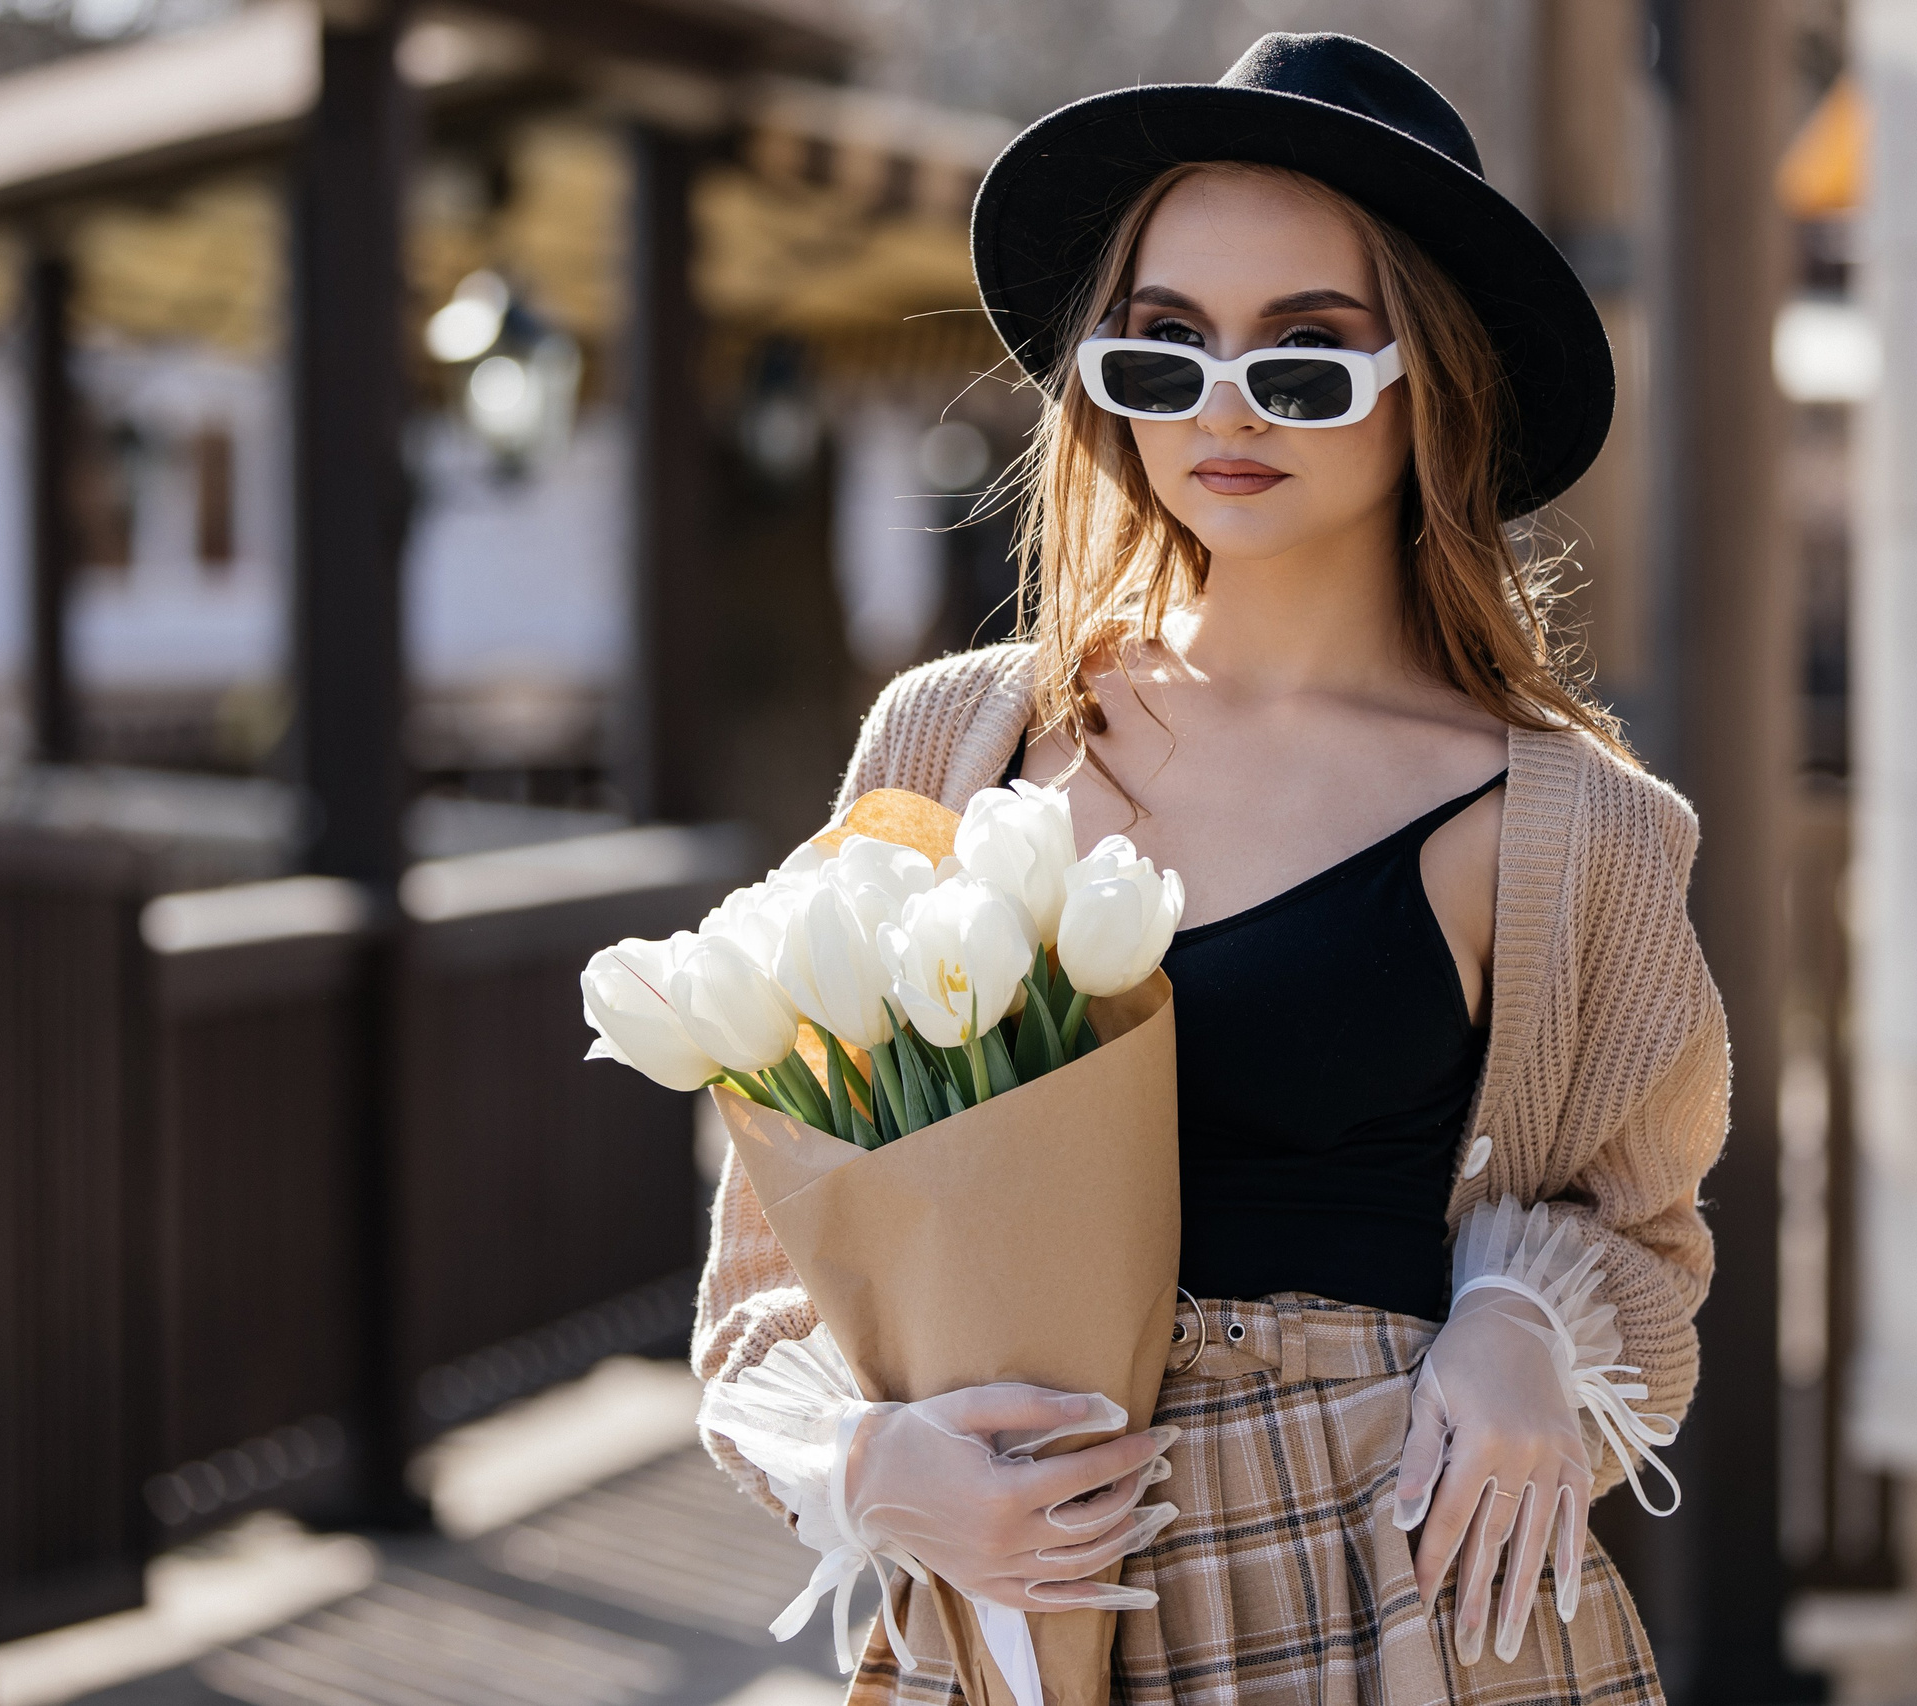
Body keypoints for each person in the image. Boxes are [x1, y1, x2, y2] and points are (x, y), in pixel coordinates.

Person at [696, 33, 1725, 1706]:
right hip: (1017, 1615)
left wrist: (1527, 1325)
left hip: (1411, 1619)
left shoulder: (1572, 828)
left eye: (1306, 362)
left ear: (1433, 388)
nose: (1225, 410)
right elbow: (774, 1254)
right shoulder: (953, 745)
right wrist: (876, 1463)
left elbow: (1639, 1233)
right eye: (1162, 356)